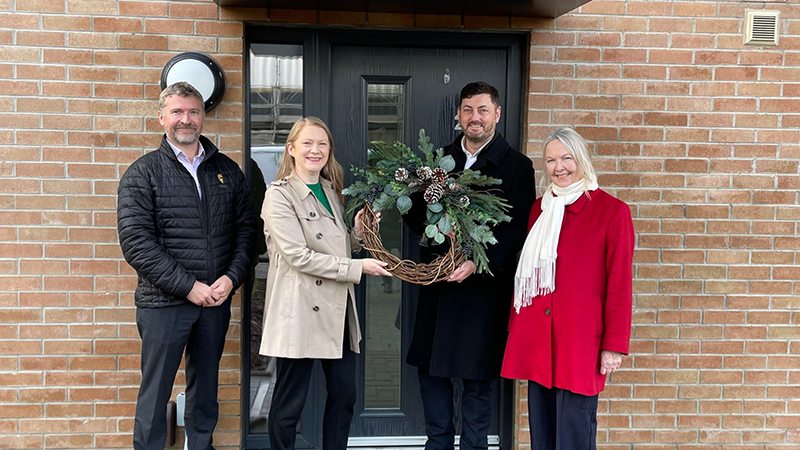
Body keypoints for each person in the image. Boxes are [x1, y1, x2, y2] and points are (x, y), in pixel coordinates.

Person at [117, 81, 255, 450]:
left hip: (214, 300)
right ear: (161, 117)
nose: (186, 120)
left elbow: (246, 233)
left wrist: (231, 279)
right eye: (177, 111)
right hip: (164, 303)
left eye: (193, 111)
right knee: (156, 390)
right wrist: (188, 286)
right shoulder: (142, 174)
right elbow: (137, 244)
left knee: (206, 387)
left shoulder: (228, 170)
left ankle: (202, 445)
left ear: (203, 116)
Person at [403, 82, 537, 450]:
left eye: (481, 110)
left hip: (484, 292)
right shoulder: (437, 162)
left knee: (478, 384)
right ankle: (438, 445)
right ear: (458, 115)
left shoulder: (518, 167)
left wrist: (478, 263)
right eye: (467, 110)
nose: (474, 117)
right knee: (431, 376)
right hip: (439, 283)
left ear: (496, 114)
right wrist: (437, 233)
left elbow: (517, 230)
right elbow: (415, 212)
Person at [259, 116, 392, 450]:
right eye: (307, 143)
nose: (315, 150)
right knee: (290, 404)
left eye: (322, 144)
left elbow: (338, 247)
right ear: (291, 149)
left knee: (345, 395)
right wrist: (358, 267)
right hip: (301, 310)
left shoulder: (332, 190)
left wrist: (359, 232)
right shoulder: (279, 196)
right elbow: (299, 257)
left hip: (336, 310)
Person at [501, 127, 634, 450]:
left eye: (566, 158)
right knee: (542, 438)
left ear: (581, 159)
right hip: (540, 344)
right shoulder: (539, 210)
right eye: (550, 160)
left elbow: (620, 284)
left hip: (580, 347)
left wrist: (613, 345)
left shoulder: (612, 212)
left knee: (574, 436)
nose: (558, 167)